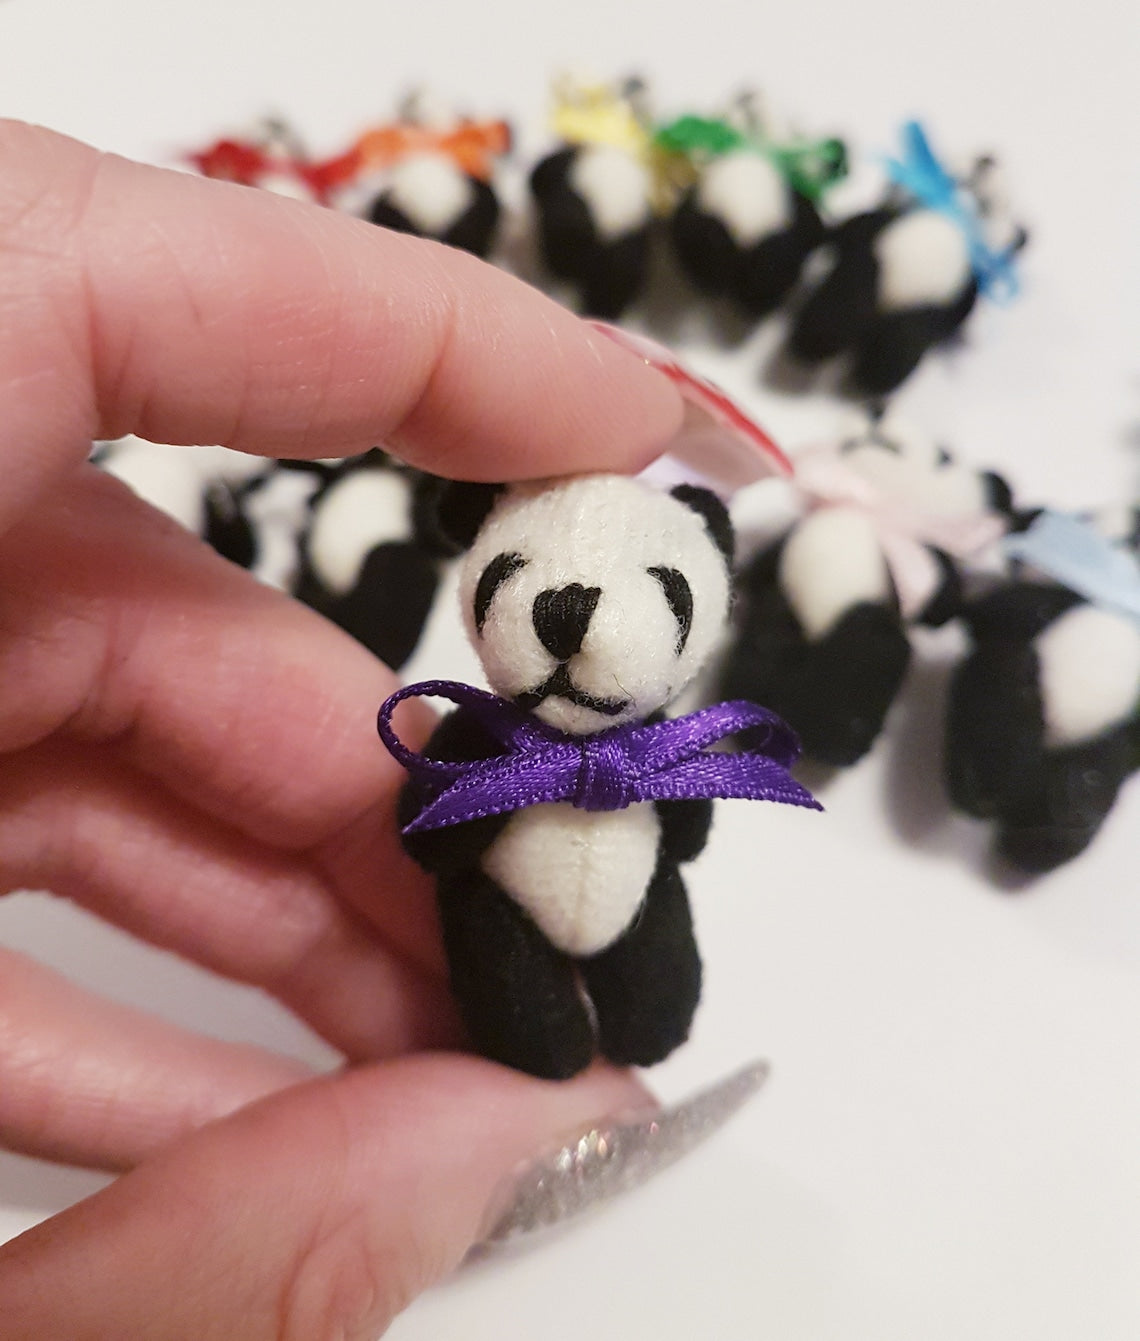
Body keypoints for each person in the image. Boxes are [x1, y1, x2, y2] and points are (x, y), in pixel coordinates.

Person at [0, 118, 702, 1337]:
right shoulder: (483, 740)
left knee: (655, 982)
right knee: (507, 995)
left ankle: (636, 1010)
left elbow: (680, 823)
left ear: (711, 579)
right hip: (504, 910)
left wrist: (665, 809)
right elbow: (434, 834)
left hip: (631, 884)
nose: (584, 617)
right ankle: (547, 1055)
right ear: (475, 568)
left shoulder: (664, 751)